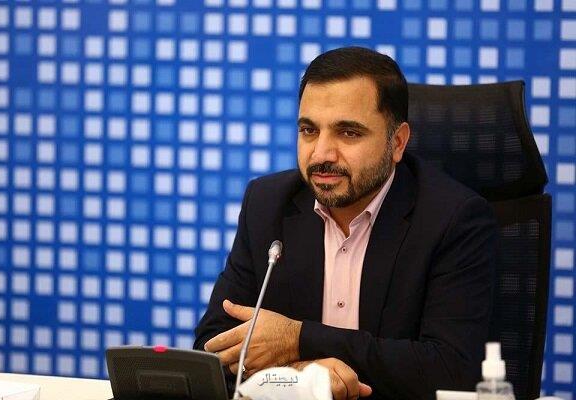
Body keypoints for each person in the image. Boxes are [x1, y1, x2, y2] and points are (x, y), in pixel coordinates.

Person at [194, 46, 497, 400]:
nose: (321, 154)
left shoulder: (453, 219)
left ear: (397, 142)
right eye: (309, 130)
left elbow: (451, 371)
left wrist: (299, 338)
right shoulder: (268, 203)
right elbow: (212, 349)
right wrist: (301, 373)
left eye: (348, 133)